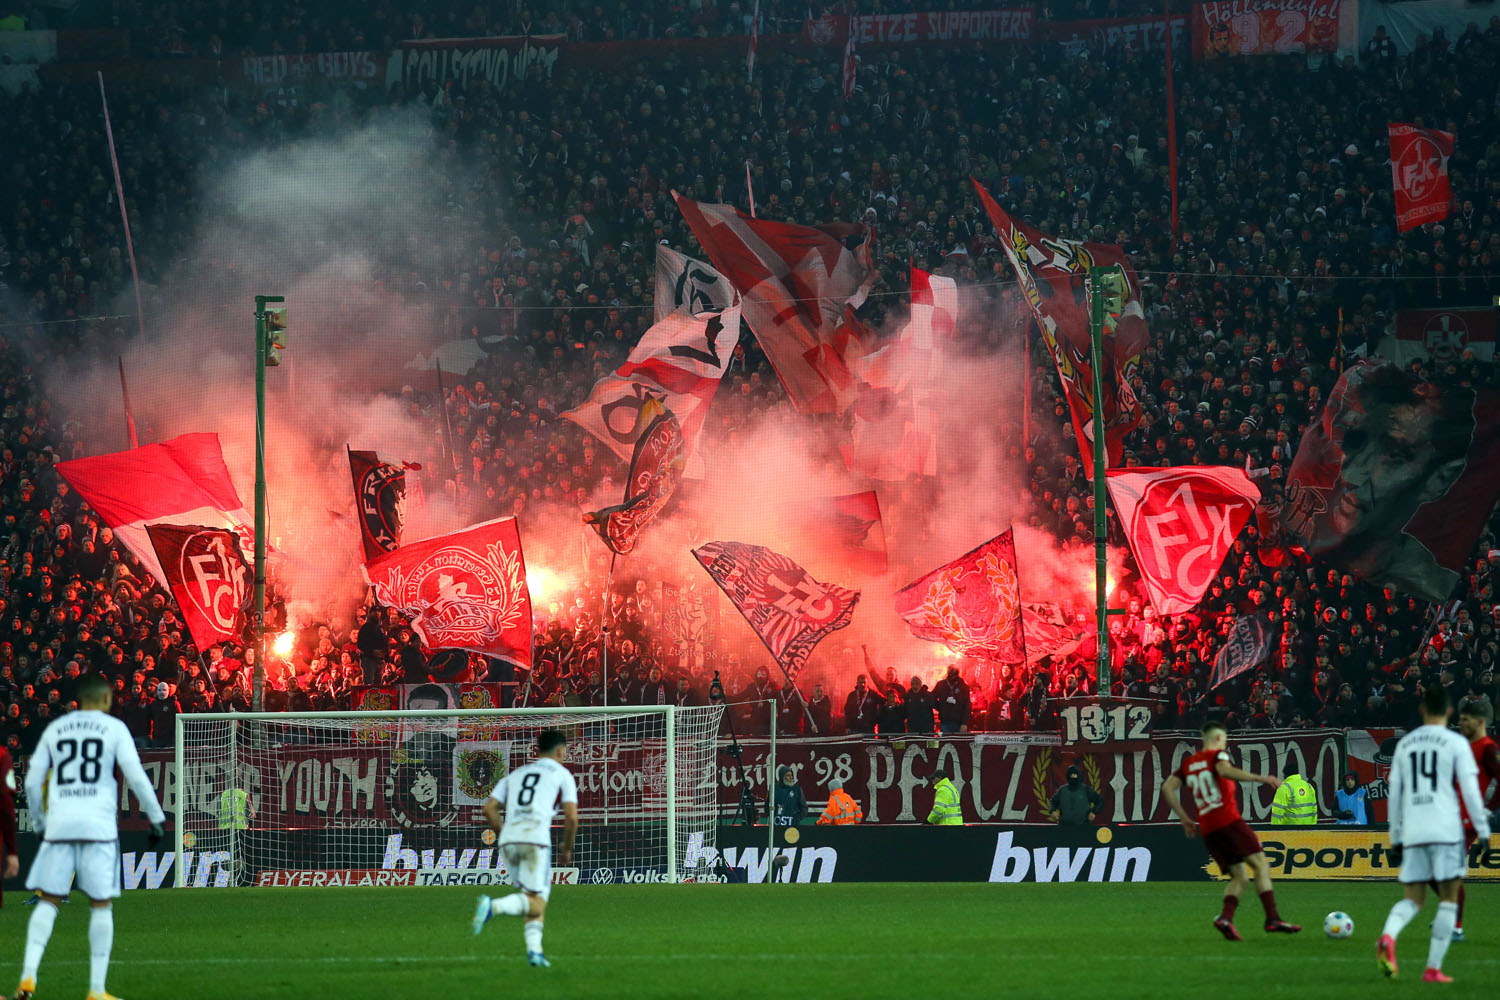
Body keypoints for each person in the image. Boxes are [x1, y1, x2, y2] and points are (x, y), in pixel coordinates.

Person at [17, 671, 166, 1000]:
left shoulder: (56, 729)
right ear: (106, 700)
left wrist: (41, 822)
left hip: (61, 820)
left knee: (49, 901)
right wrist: (156, 815)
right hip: (98, 824)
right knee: (100, 906)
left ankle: (27, 978)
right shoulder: (115, 729)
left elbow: (31, 780)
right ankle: (96, 990)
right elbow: (137, 777)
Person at [1377, 686, 1490, 982]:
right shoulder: (1455, 743)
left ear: (1422, 710)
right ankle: (1433, 969)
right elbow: (1469, 791)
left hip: (1414, 829)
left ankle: (1388, 937)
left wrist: (1395, 838)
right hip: (1446, 828)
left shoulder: (1405, 745)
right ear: (1450, 712)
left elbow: (1395, 795)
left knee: (1413, 898)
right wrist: (1483, 831)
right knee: (1449, 898)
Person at [1161, 721, 1300, 939]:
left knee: (1240, 877)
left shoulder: (1189, 764)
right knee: (1261, 864)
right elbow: (1224, 770)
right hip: (1228, 821)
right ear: (1217, 739)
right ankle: (1272, 918)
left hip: (1209, 829)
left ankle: (1225, 918)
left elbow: (1167, 787)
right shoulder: (1218, 756)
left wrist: (1185, 818)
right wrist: (1262, 778)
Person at [472, 728, 578, 969]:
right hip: (535, 840)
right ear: (561, 751)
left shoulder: (516, 774)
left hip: (509, 840)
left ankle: (535, 952)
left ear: (538, 750)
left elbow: (489, 809)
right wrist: (567, 848)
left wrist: (505, 833)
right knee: (538, 901)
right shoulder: (562, 774)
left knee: (532, 897)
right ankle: (493, 907)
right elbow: (571, 818)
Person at [1450, 701, 1500, 941]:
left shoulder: (1488, 748)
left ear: (1480, 722)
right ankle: (1448, 914)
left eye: (1465, 719)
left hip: (1468, 819)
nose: (1460, 723)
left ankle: (1456, 926)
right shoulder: (1464, 747)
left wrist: (1488, 811)